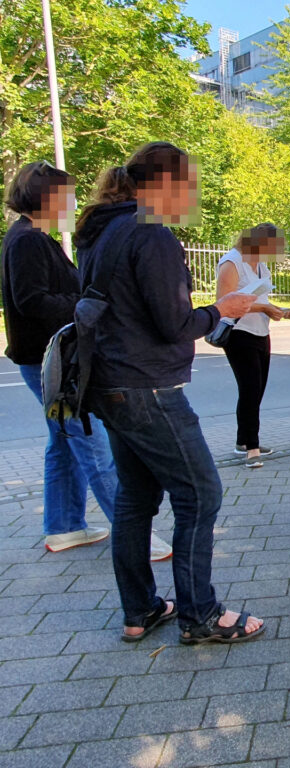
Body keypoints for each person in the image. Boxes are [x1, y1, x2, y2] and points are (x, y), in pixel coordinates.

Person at [75, 142, 264, 644]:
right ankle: (200, 615)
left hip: (110, 385)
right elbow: (174, 324)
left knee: (135, 499)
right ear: (166, 184)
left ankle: (140, 610)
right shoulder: (151, 235)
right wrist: (223, 309)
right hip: (148, 388)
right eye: (191, 185)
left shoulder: (101, 230)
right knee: (201, 494)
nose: (194, 195)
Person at [1, 161, 171, 560]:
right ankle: (137, 536)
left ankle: (64, 527)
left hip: (47, 358)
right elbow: (32, 301)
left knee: (62, 442)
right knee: (90, 443)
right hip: (53, 361)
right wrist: (86, 305)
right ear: (46, 196)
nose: (74, 201)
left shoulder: (31, 236)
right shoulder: (27, 239)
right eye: (67, 193)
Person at [215, 223, 290, 468]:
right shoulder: (232, 262)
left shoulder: (261, 266)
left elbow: (261, 299)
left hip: (261, 330)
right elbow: (223, 301)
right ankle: (252, 448)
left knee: (257, 389)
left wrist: (278, 311)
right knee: (250, 388)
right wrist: (263, 308)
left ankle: (243, 441)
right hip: (238, 332)